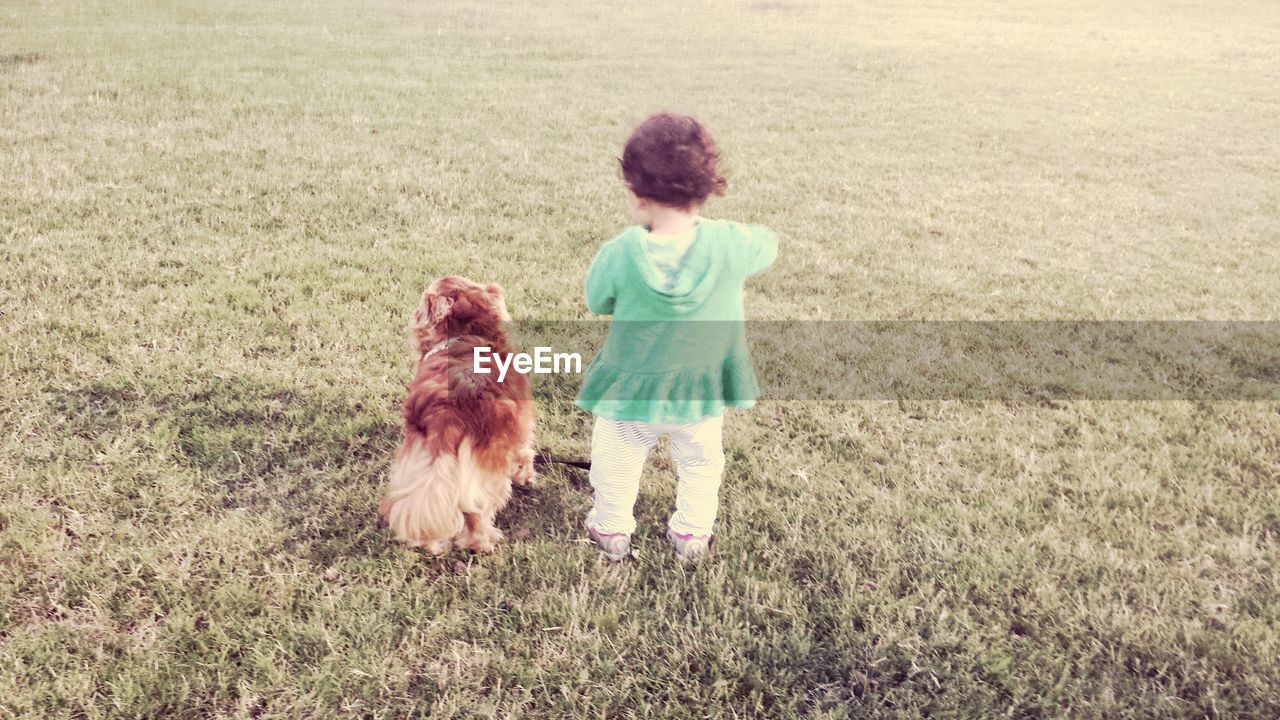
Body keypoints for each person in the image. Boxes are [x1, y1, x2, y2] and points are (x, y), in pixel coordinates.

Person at [575, 111, 777, 563]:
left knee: (618, 458)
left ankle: (610, 530)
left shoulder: (623, 252)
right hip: (700, 390)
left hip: (633, 392)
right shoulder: (732, 243)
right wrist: (726, 236)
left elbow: (597, 300)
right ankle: (691, 534)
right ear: (707, 187)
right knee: (702, 462)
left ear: (634, 190)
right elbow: (768, 244)